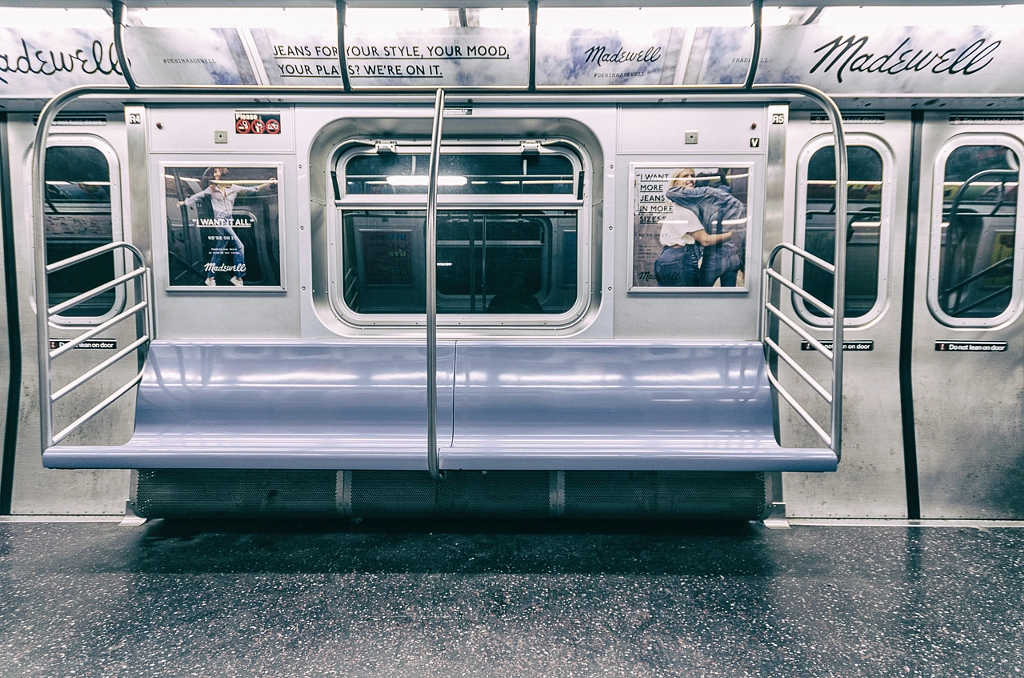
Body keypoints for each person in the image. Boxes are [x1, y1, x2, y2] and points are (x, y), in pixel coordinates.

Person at [177, 167, 277, 286]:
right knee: (239, 246)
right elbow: (198, 195)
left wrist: (267, 183)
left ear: (223, 174)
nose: (214, 174)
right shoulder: (212, 189)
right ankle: (238, 277)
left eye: (216, 172)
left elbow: (252, 189)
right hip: (220, 220)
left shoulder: (233, 188)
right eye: (214, 172)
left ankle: (210, 277)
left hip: (229, 219)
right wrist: (184, 202)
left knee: (219, 249)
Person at [663, 167, 746, 287]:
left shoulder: (704, 193)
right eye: (686, 176)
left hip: (713, 257)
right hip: (733, 257)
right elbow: (742, 236)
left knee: (700, 293)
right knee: (729, 296)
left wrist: (730, 235)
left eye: (693, 177)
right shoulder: (735, 202)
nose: (692, 180)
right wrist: (743, 264)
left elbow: (671, 192)